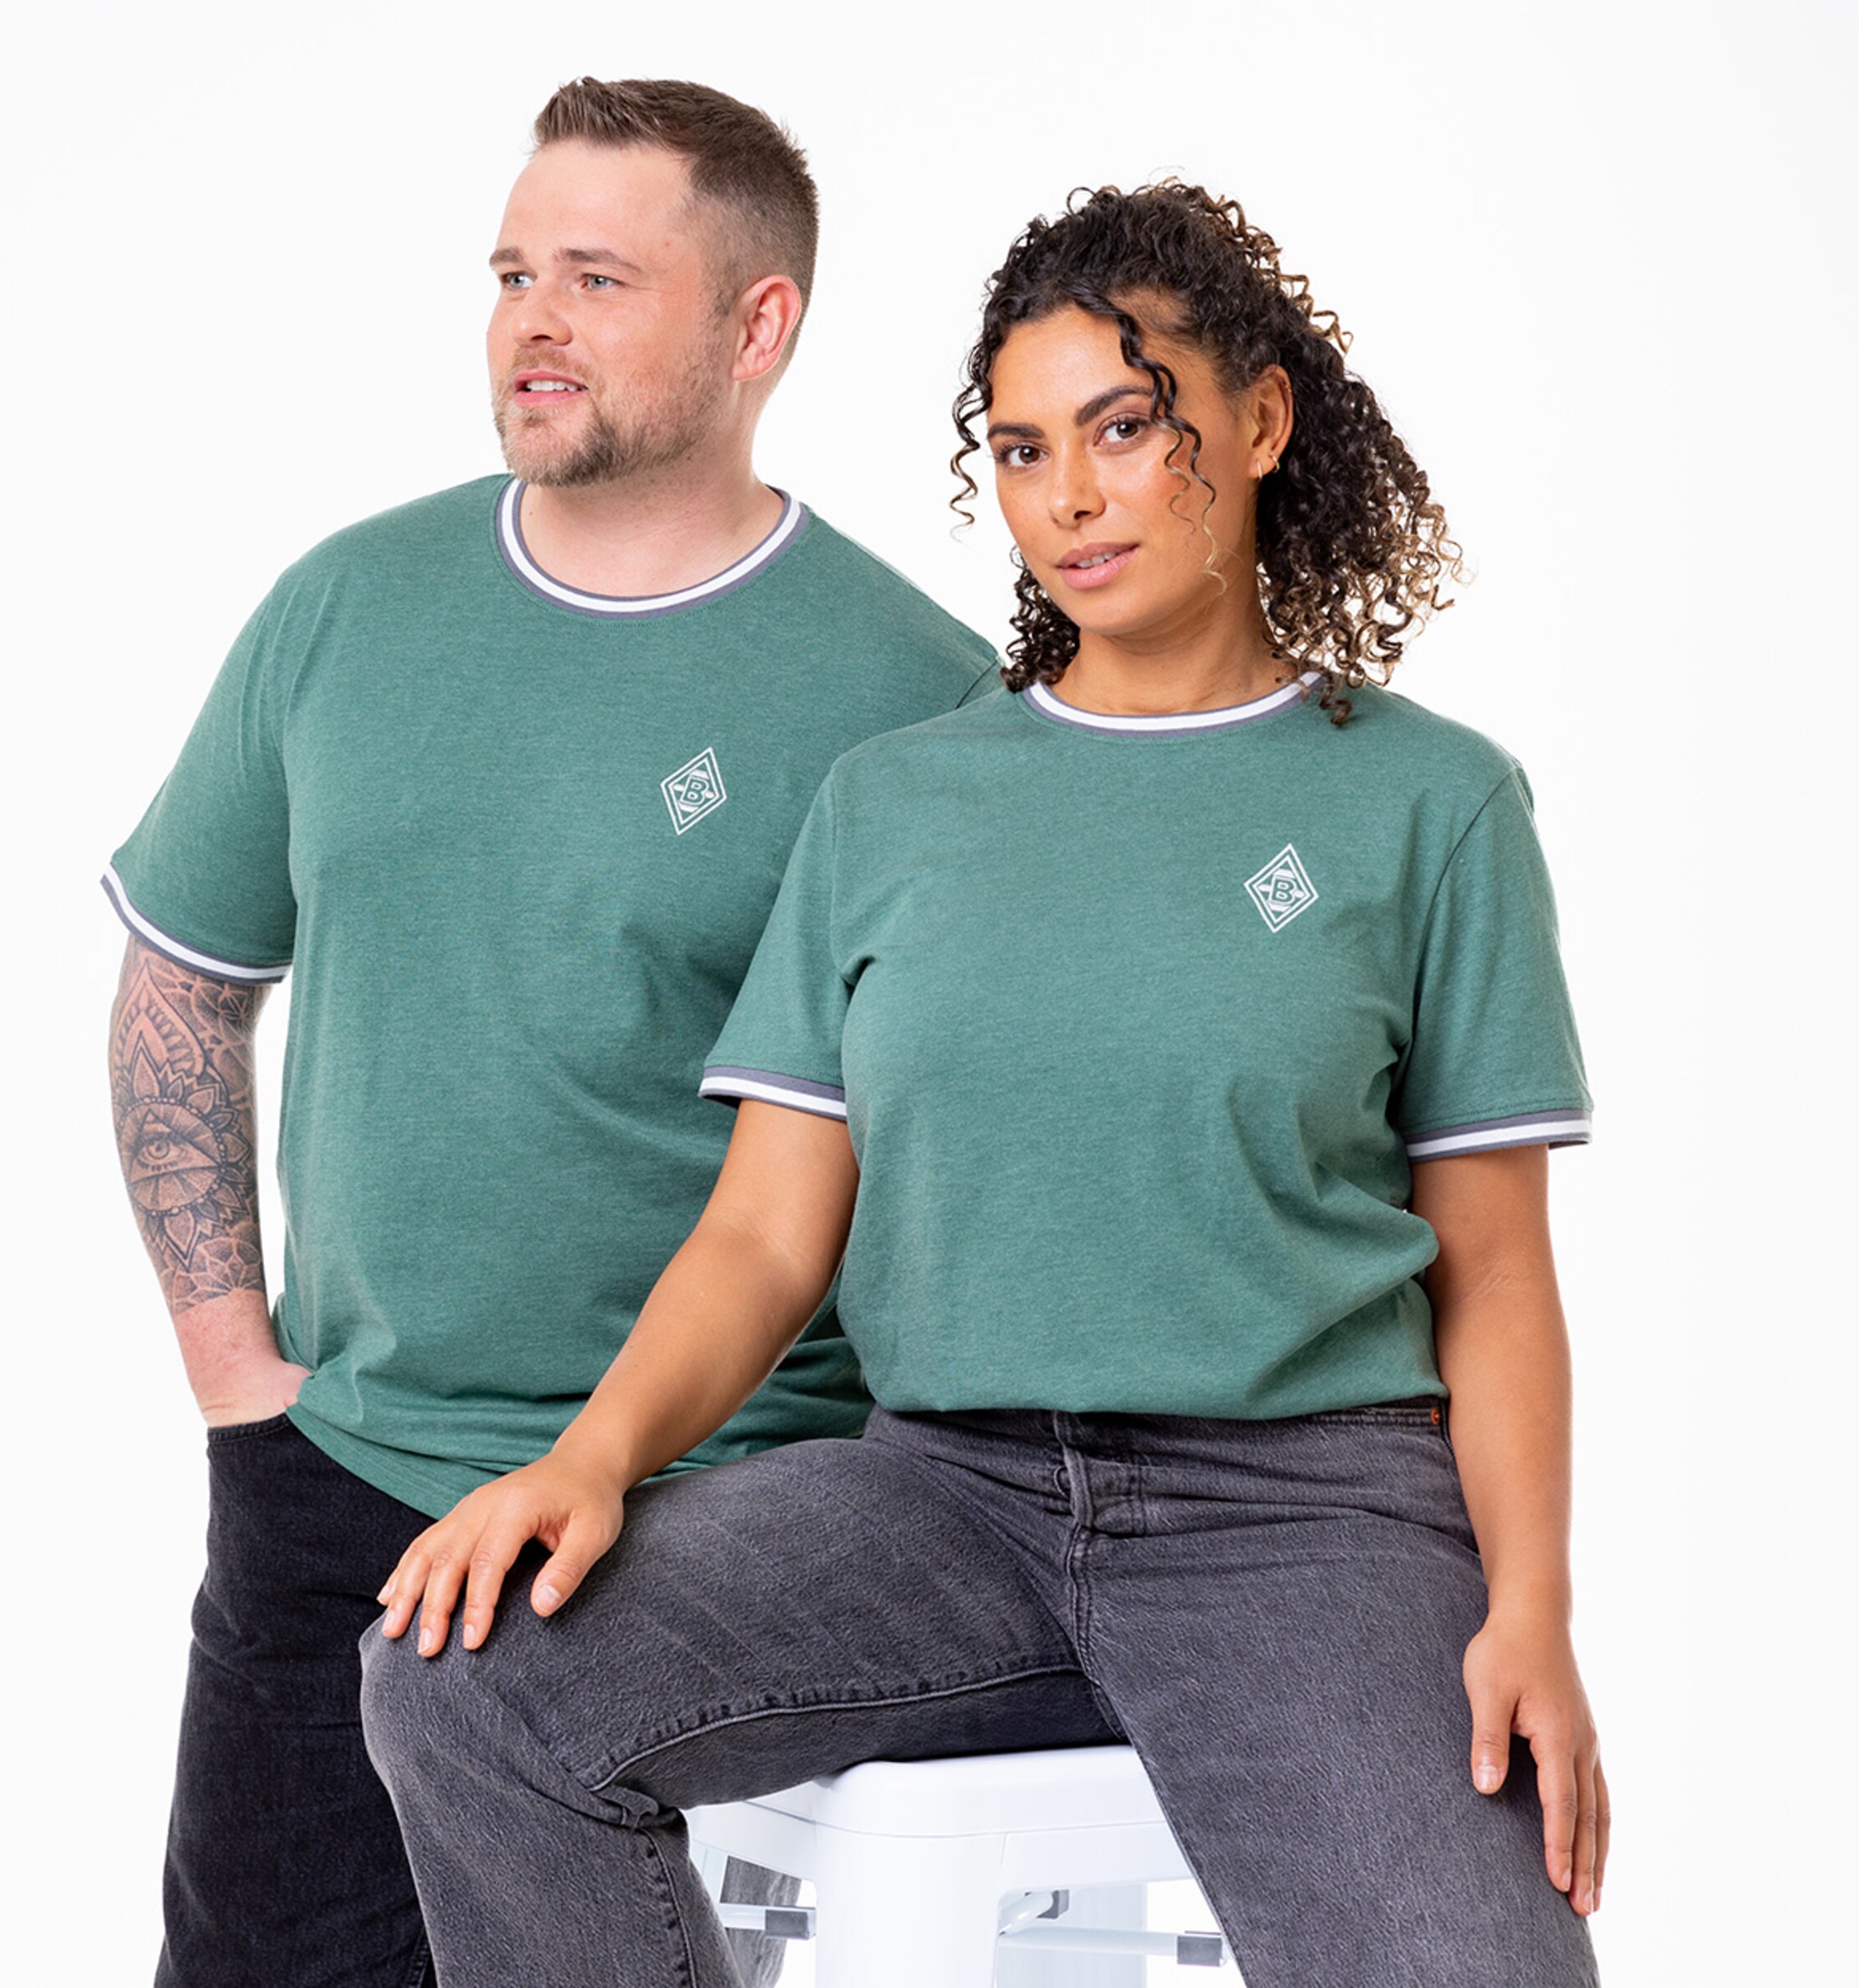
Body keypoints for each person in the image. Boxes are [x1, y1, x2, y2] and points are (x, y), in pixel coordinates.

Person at [360, 181, 1609, 1988]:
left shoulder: (1431, 804)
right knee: (468, 1686)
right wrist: (590, 1461)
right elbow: (767, 1232)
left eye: (1126, 427)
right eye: (1023, 450)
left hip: (1307, 1518)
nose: (1069, 498)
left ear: (1256, 424)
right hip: (940, 1498)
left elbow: (1495, 1270)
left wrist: (1534, 1613)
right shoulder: (895, 802)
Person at [104, 77, 995, 1988]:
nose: (532, 321)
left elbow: (971, 1156)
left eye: (597, 276)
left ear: (761, 328)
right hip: (341, 1483)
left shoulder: (916, 705)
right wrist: (237, 1386)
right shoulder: (344, 610)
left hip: (719, 1525)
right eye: (514, 271)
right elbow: (184, 977)